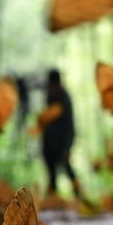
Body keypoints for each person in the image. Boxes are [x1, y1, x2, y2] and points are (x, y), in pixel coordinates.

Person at [42, 69, 83, 198]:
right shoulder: (49, 95)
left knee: (68, 169)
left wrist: (67, 147)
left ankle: (79, 196)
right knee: (51, 173)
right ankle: (53, 199)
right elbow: (46, 120)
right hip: (49, 143)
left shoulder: (65, 98)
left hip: (62, 142)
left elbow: (69, 125)